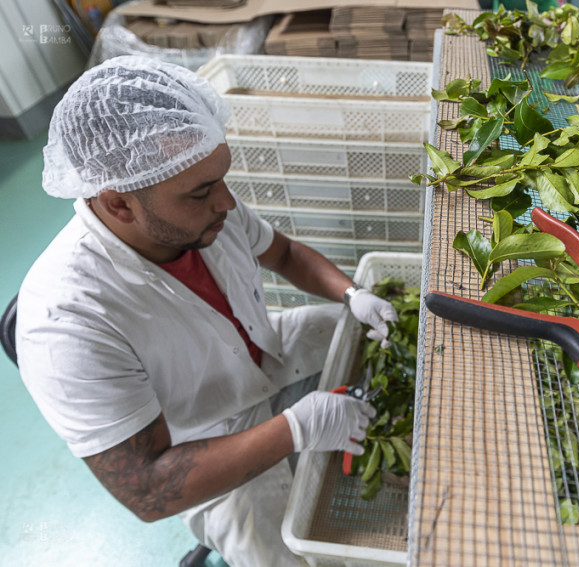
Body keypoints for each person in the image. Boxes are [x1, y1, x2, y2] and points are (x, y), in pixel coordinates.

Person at [15, 56, 399, 567]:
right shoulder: (67, 319)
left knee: (384, 346)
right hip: (207, 448)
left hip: (268, 354)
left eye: (220, 178)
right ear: (118, 205)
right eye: (200, 192)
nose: (225, 202)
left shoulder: (207, 209)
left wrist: (353, 295)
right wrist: (297, 429)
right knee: (303, 554)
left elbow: (284, 254)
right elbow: (148, 489)